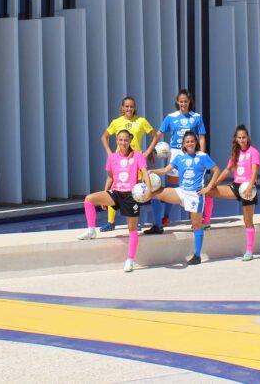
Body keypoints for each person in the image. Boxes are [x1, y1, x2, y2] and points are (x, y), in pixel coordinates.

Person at [76, 130, 150, 273]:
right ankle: (91, 230)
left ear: (130, 140)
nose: (123, 143)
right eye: (120, 140)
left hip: (131, 195)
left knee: (132, 229)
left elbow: (145, 173)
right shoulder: (112, 157)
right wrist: (105, 193)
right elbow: (110, 177)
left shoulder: (138, 156)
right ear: (116, 140)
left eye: (126, 140)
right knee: (89, 199)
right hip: (116, 193)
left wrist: (149, 190)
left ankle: (130, 260)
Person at [147, 130, 221, 265]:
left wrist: (209, 187)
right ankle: (158, 225)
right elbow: (165, 171)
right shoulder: (180, 158)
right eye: (187, 142)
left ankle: (197, 255)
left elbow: (217, 171)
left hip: (195, 195)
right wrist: (151, 171)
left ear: (196, 142)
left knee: (196, 225)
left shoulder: (203, 156)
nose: (190, 144)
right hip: (181, 192)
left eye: (192, 141)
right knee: (155, 194)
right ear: (184, 144)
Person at [144, 89, 208, 234]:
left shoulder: (196, 117)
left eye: (186, 101)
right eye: (181, 101)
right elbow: (158, 135)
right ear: (177, 102)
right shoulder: (170, 117)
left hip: (192, 155)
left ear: (189, 102)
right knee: (172, 186)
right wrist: (148, 151)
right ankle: (163, 220)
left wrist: (202, 156)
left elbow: (202, 137)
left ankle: (196, 220)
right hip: (175, 154)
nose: (183, 104)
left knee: (192, 187)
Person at [203, 125, 260, 261]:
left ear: (248, 138)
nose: (242, 140)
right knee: (209, 192)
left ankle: (249, 251)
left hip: (248, 189)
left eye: (244, 137)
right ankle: (206, 221)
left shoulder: (254, 152)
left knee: (248, 221)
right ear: (236, 139)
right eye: (239, 138)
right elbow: (227, 170)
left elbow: (254, 172)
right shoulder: (236, 153)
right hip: (236, 186)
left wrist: (250, 187)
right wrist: (214, 183)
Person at [99, 96, 154, 232]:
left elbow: (155, 136)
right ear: (122, 108)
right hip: (120, 162)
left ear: (135, 107)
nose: (129, 109)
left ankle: (134, 219)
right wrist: (109, 153)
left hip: (136, 161)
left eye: (131, 106)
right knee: (114, 188)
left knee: (136, 191)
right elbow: (104, 137)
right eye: (127, 106)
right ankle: (110, 222)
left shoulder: (141, 121)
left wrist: (148, 152)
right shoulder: (116, 122)